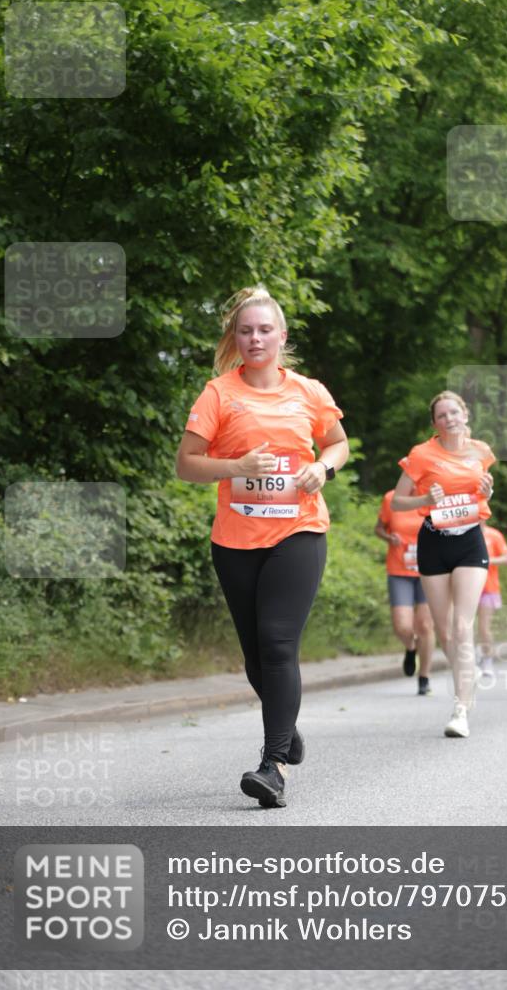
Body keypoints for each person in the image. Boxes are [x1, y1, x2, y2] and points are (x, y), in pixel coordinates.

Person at [175, 286, 349, 808]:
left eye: (265, 330)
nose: (255, 338)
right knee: (256, 658)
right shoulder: (218, 393)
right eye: (246, 330)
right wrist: (235, 468)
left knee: (277, 643)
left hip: (299, 530)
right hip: (234, 539)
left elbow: (337, 442)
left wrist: (323, 467)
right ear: (236, 337)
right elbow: (187, 464)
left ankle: (272, 767)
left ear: (282, 337)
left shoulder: (309, 391)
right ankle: (287, 726)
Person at [392, 391, 495, 738]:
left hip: (469, 541)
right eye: (442, 415)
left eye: (454, 412)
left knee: (463, 627)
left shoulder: (480, 452)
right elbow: (397, 503)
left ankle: (460, 710)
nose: (449, 419)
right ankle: (469, 673)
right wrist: (425, 498)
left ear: (465, 414)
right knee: (446, 631)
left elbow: (482, 494)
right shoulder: (422, 455)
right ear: (435, 423)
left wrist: (488, 491)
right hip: (434, 541)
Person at [375, 491, 435, 694]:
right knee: (402, 625)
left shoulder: (432, 497)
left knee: (425, 626)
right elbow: (379, 528)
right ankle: (411, 647)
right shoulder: (391, 499)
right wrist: (388, 537)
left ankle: (424, 678)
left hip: (429, 569)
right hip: (399, 569)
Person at [477, 520, 507, 678]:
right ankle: (470, 659)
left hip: (488, 587)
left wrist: (488, 560)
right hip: (467, 587)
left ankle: (487, 660)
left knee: (484, 627)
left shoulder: (494, 535)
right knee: (465, 625)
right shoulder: (462, 534)